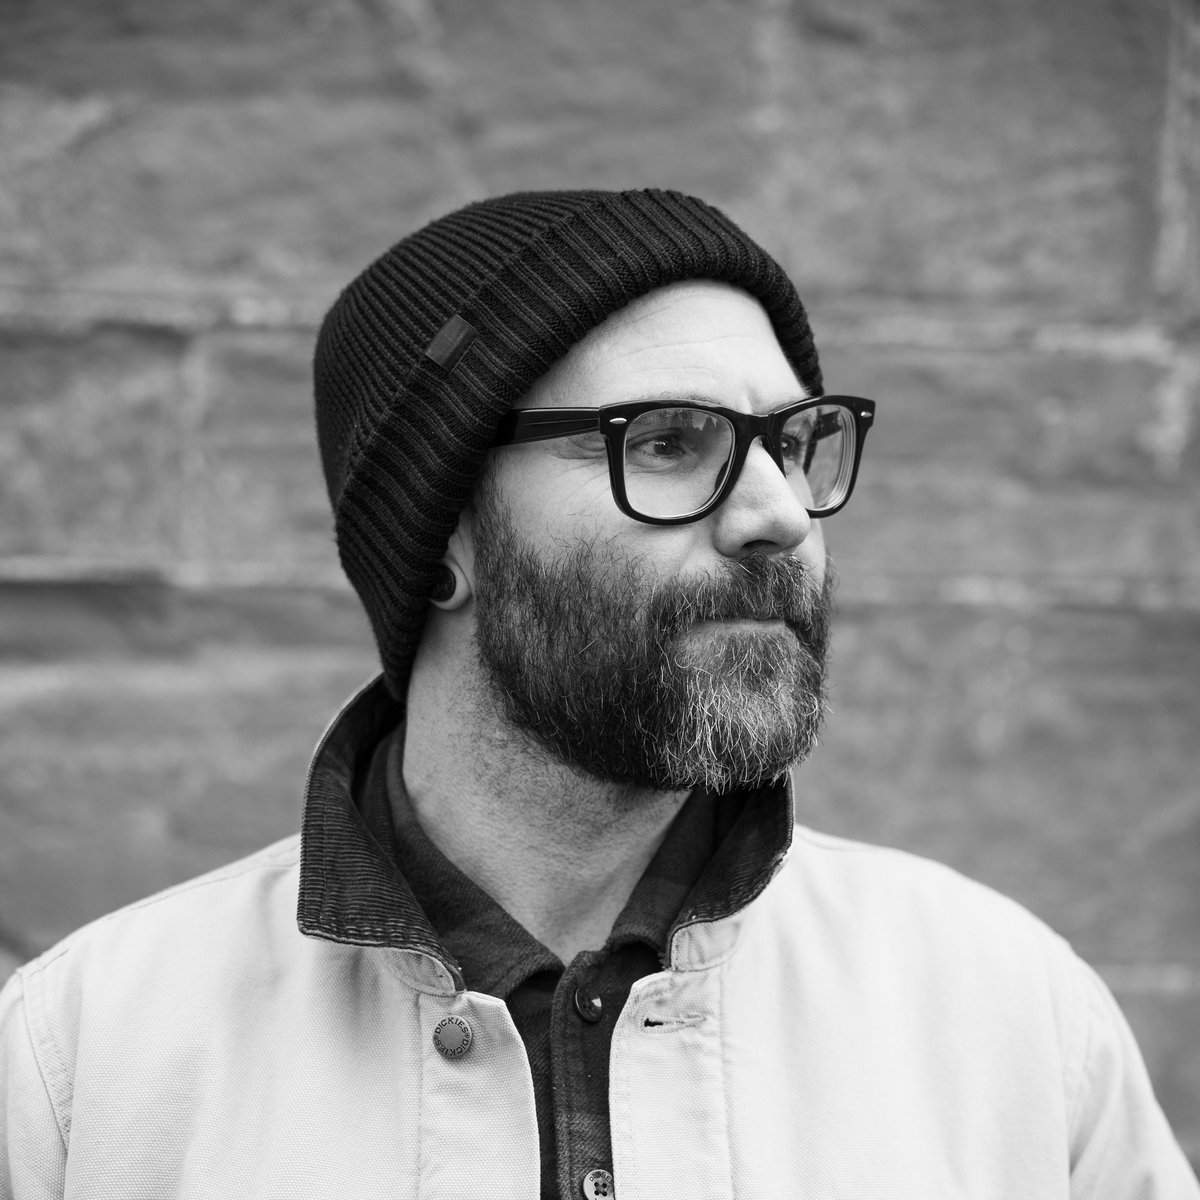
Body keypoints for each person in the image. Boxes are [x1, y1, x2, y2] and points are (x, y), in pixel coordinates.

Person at [1, 188, 1195, 1199]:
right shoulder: (85, 1067)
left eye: (792, 441)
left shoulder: (1006, 1019)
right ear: (444, 539)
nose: (779, 513)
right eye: (669, 441)